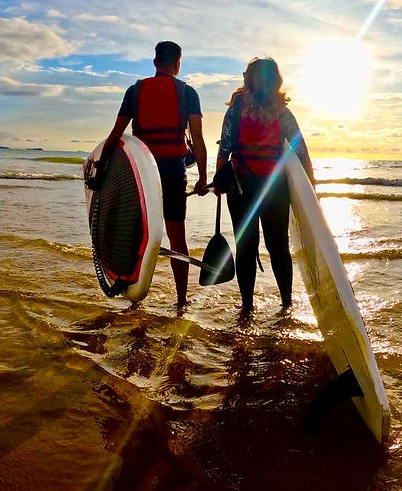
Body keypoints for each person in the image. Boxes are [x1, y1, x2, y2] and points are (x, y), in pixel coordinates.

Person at [96, 41, 208, 307]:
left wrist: (101, 169)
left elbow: (117, 134)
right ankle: (182, 300)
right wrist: (203, 178)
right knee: (177, 236)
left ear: (155, 62)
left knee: (134, 235)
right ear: (178, 63)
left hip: (140, 175)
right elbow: (199, 139)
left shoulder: (135, 91)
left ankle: (133, 296)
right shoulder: (187, 92)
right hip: (172, 171)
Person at [215, 57, 313, 311]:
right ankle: (286, 304)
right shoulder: (283, 111)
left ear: (248, 78)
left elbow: (224, 149)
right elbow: (301, 152)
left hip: (241, 187)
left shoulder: (235, 109)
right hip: (274, 188)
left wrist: (219, 182)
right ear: (276, 80)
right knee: (278, 247)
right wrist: (312, 189)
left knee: (245, 245)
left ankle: (247, 306)